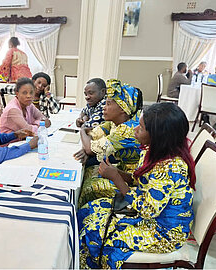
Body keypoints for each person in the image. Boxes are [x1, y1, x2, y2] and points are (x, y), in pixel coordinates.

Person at [78, 103, 196, 269]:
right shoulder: (153, 152)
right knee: (90, 210)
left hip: (163, 232)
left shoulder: (170, 167)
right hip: (151, 218)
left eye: (140, 128)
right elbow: (140, 180)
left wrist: (117, 179)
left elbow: (148, 209)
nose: (135, 130)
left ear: (157, 135)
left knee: (95, 234)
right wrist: (116, 172)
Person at [74, 79, 143, 207]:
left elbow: (89, 147)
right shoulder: (114, 122)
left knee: (89, 186)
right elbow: (93, 136)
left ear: (123, 109)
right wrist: (87, 146)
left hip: (134, 180)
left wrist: (82, 130)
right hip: (122, 170)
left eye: (108, 104)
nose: (104, 108)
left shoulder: (126, 130)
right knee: (89, 170)